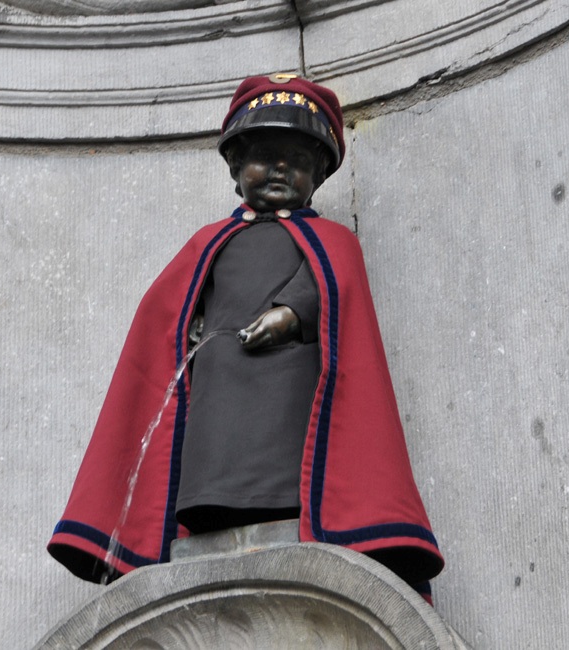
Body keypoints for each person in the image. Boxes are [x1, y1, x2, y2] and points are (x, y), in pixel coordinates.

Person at [48, 74, 444, 600]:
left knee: (283, 457)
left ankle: (293, 510)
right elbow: (164, 312)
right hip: (221, 387)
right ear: (235, 169)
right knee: (217, 455)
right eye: (263, 156)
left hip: (288, 389)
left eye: (297, 159)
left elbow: (330, 288)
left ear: (318, 174)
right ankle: (208, 509)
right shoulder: (210, 241)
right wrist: (187, 325)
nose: (280, 168)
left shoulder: (331, 241)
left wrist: (289, 313)